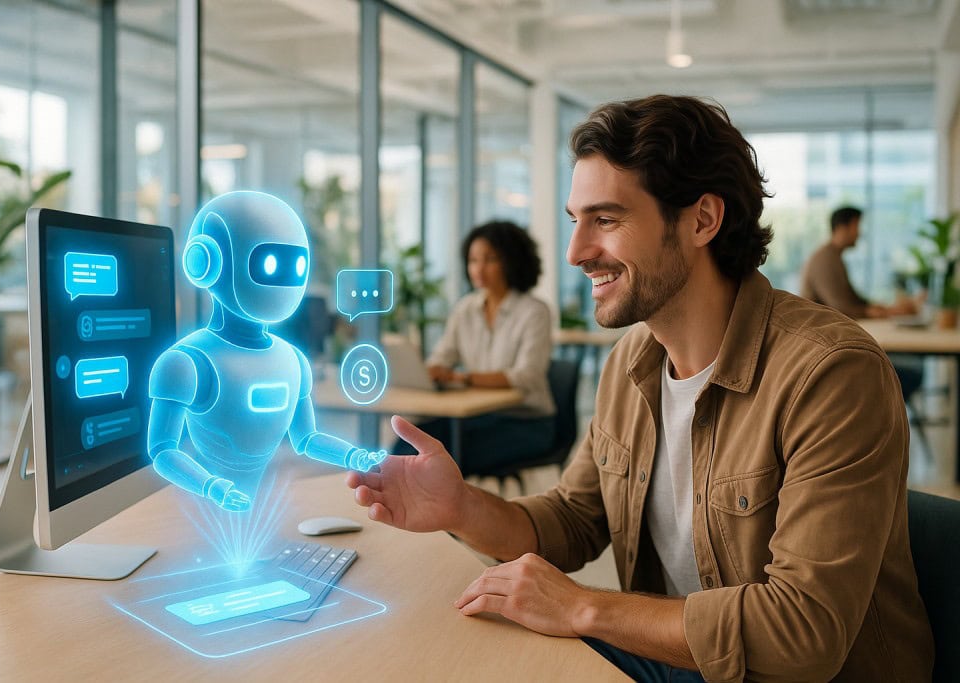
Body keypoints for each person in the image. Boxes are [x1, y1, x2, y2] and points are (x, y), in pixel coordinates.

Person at [348, 96, 933, 682]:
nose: (576, 252)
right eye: (575, 219)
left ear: (703, 219)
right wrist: (462, 506)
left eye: (605, 220)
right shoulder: (633, 359)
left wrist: (584, 606)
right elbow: (576, 519)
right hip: (679, 663)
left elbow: (803, 635)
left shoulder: (829, 374)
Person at [392, 220, 556, 475]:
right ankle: (394, 505)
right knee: (409, 440)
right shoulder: (465, 308)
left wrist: (462, 378)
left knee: (449, 453)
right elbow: (442, 356)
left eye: (490, 259)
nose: (479, 268)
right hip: (479, 415)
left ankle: (442, 512)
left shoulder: (534, 312)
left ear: (512, 261)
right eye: (473, 260)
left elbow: (526, 377)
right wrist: (433, 371)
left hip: (527, 422)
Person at [800, 206, 917, 318]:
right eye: (856, 226)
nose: (859, 233)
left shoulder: (833, 256)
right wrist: (874, 312)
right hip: (822, 331)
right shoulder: (825, 260)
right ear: (842, 228)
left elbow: (852, 299)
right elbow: (839, 308)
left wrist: (880, 308)